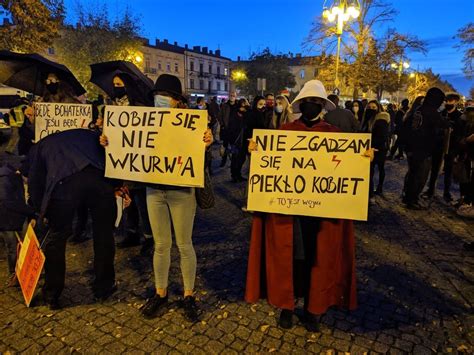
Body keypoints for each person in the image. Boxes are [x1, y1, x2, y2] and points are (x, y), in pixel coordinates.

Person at [245, 80, 358, 332]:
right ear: (301, 104)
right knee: (291, 259)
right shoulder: (285, 131)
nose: (311, 107)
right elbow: (270, 165)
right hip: (289, 212)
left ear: (323, 106)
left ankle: (312, 309)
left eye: (316, 103)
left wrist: (363, 159)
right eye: (308, 103)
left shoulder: (335, 134)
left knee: (316, 259)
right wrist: (257, 151)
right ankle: (287, 306)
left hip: (321, 214)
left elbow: (346, 170)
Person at [106, 74, 213, 322]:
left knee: (184, 244)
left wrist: (206, 144)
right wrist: (110, 142)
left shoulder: (193, 123)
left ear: (176, 101)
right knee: (161, 245)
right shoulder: (146, 121)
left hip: (182, 191)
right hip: (154, 191)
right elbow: (131, 148)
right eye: (157, 96)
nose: (160, 100)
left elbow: (201, 162)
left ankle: (188, 295)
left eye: (165, 96)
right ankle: (160, 293)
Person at [26, 129, 119, 309]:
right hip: (99, 181)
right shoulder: (90, 134)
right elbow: (112, 158)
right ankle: (104, 286)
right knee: (104, 234)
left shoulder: (39, 147)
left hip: (64, 186)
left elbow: (35, 183)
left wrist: (39, 211)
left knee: (57, 237)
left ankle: (52, 294)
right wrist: (117, 186)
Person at [403, 88, 446, 209]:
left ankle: (408, 196)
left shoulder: (418, 110)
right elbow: (442, 124)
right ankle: (412, 200)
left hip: (413, 148)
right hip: (423, 150)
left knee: (412, 174)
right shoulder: (431, 112)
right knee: (420, 176)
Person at [441, 92, 464, 202]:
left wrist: (457, 151)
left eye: (450, 101)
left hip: (451, 148)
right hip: (439, 146)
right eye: (446, 101)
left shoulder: (459, 117)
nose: (447, 103)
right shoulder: (442, 114)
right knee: (435, 169)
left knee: (448, 172)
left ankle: (446, 193)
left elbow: (460, 135)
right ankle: (430, 190)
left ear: (455, 102)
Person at [367, 104, 391, 199]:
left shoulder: (381, 119)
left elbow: (381, 135)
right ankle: (373, 189)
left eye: (374, 107)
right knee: (374, 169)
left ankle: (378, 188)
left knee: (378, 168)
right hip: (373, 147)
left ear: (378, 108)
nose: (371, 109)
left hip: (378, 148)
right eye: (369, 107)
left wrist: (375, 146)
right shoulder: (369, 118)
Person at [228, 98, 249, 182]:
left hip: (243, 140)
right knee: (235, 159)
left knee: (242, 158)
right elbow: (231, 128)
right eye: (242, 106)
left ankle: (238, 174)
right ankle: (234, 175)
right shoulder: (234, 114)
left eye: (245, 106)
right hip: (236, 140)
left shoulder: (246, 114)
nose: (243, 108)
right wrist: (230, 141)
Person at [218, 91, 238, 167]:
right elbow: (220, 116)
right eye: (231, 95)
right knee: (225, 146)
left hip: (234, 131)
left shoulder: (238, 105)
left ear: (236, 96)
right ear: (229, 96)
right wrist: (222, 125)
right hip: (226, 130)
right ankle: (223, 160)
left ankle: (233, 162)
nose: (232, 96)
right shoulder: (224, 106)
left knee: (234, 147)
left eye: (233, 95)